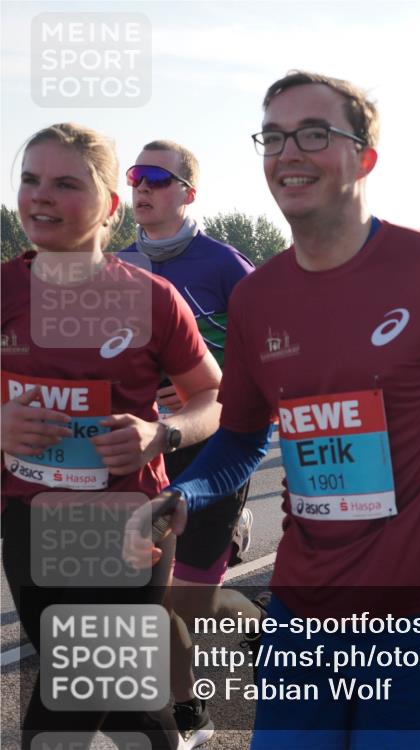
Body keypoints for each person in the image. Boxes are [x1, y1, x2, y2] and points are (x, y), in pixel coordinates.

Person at [125, 72, 420, 750]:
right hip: (306, 598)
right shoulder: (259, 297)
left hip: (416, 595)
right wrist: (186, 491)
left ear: (364, 157)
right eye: (274, 137)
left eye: (314, 133)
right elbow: (243, 438)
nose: (288, 152)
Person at [2, 123, 222, 749]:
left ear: (109, 206)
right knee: (125, 697)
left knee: (69, 698)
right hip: (28, 517)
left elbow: (211, 395)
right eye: (30, 180)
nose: (41, 197)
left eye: (66, 183)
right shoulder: (4, 290)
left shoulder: (153, 299)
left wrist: (163, 432)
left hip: (127, 521)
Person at [118, 139, 258, 749]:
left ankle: (264, 627)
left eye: (156, 177)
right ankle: (190, 713)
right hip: (145, 450)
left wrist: (210, 388)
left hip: (217, 447)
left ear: (188, 193)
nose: (142, 188)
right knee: (152, 600)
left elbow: (265, 347)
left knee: (189, 601)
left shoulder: (225, 264)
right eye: (134, 177)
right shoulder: (117, 265)